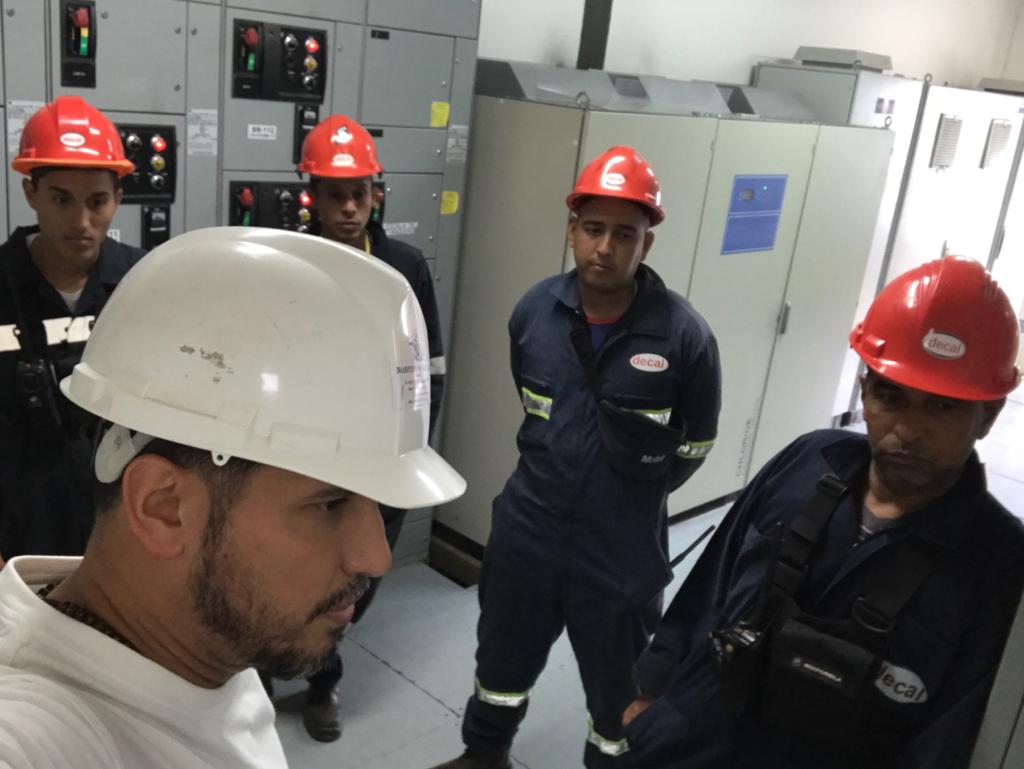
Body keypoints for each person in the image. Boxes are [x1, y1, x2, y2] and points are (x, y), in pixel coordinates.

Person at [0, 227, 466, 768]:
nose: (377, 556)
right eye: (330, 503)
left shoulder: (214, 639)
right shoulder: (39, 736)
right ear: (163, 507)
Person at [623, 256, 1024, 769]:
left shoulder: (997, 562)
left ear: (987, 416)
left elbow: (953, 734)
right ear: (865, 391)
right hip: (698, 736)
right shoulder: (808, 463)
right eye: (891, 397)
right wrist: (655, 689)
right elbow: (712, 583)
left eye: (943, 407)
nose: (908, 430)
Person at [430, 146, 722, 769]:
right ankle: (484, 753)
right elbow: (532, 400)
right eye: (592, 229)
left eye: (625, 234)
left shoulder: (684, 336)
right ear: (571, 230)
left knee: (619, 692)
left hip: (621, 548)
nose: (605, 248)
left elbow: (696, 443)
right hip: (528, 530)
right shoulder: (534, 312)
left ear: (647, 243)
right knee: (501, 662)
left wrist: (632, 493)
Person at [272, 113, 448, 742]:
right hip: (303, 446)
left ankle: (322, 679)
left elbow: (429, 368)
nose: (349, 208)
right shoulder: (286, 259)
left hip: (377, 452)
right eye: (335, 194)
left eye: (360, 193)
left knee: (353, 576)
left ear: (377, 194)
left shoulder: (404, 266)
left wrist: (413, 448)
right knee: (283, 566)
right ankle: (260, 674)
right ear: (312, 197)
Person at [0, 95, 145, 563]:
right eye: (61, 199)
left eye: (97, 202)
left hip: (126, 528)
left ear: (118, 198)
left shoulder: (142, 283)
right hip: (20, 538)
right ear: (31, 193)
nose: (81, 221)